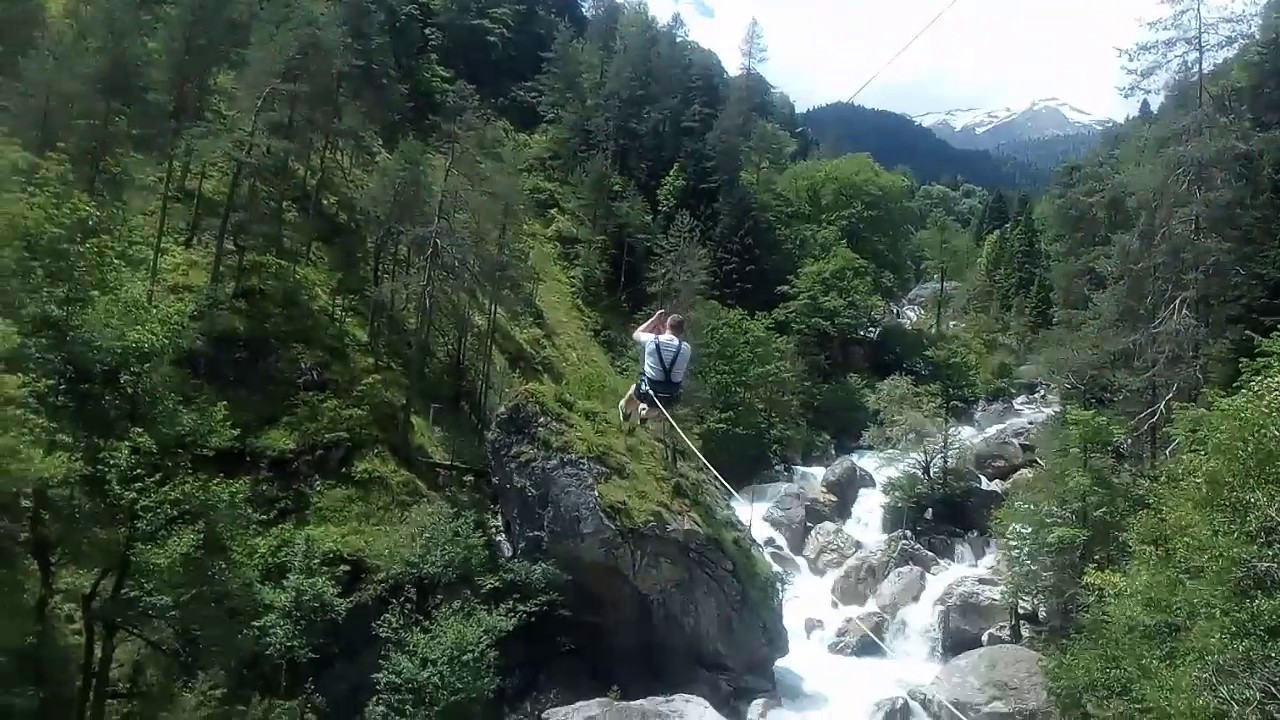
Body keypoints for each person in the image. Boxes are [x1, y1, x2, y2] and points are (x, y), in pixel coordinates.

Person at [619, 309, 692, 425]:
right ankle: (645, 413)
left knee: (633, 392)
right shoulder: (686, 348)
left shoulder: (652, 340)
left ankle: (625, 412)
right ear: (682, 331)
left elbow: (636, 334)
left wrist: (654, 320)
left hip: (647, 389)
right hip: (671, 395)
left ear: (666, 325)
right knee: (657, 405)